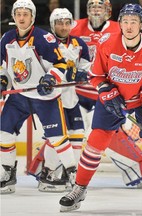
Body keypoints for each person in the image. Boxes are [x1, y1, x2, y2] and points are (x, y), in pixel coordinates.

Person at [59, 3, 142, 212]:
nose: (129, 26)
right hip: (113, 98)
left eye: (134, 22)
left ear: (141, 24)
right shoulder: (107, 43)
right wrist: (107, 92)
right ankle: (79, 187)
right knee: (95, 142)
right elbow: (96, 76)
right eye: (125, 21)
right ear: (120, 23)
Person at [70, 0, 142, 188]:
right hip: (78, 94)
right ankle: (54, 171)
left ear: (108, 11)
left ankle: (137, 170)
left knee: (107, 135)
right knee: (65, 132)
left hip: (105, 95)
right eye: (92, 6)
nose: (96, 10)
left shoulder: (119, 29)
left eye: (100, 7)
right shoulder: (74, 26)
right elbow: (58, 50)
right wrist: (73, 70)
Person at [0, 0, 77, 194]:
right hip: (19, 97)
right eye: (19, 14)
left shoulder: (44, 38)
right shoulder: (6, 38)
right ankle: (7, 176)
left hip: (45, 96)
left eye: (26, 14)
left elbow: (61, 64)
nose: (22, 17)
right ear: (14, 17)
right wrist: (3, 80)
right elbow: (3, 67)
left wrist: (50, 79)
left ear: (32, 17)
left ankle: (75, 177)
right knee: (3, 132)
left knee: (58, 137)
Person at [30, 7, 91, 192]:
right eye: (59, 23)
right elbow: (44, 69)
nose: (63, 27)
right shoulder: (45, 42)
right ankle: (48, 173)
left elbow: (88, 68)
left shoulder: (79, 44)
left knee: (77, 135)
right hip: (51, 99)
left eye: (66, 23)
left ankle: (68, 173)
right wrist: (67, 74)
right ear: (52, 25)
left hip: (71, 98)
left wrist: (81, 74)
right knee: (56, 137)